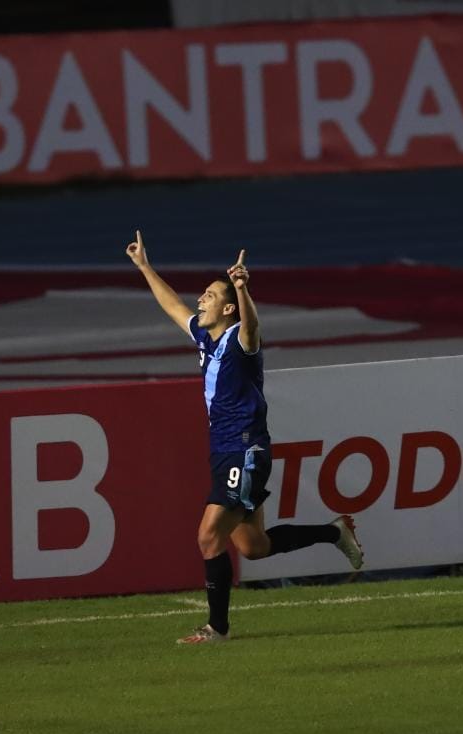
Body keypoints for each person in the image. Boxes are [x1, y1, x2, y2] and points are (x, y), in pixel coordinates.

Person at [126, 230, 364, 645]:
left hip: (245, 450)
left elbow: (252, 325)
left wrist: (242, 288)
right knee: (253, 546)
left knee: (208, 536)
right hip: (223, 451)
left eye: (209, 295)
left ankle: (217, 629)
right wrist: (145, 266)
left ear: (228, 308)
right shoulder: (206, 337)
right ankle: (334, 531)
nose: (200, 299)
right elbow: (172, 305)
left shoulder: (241, 339)